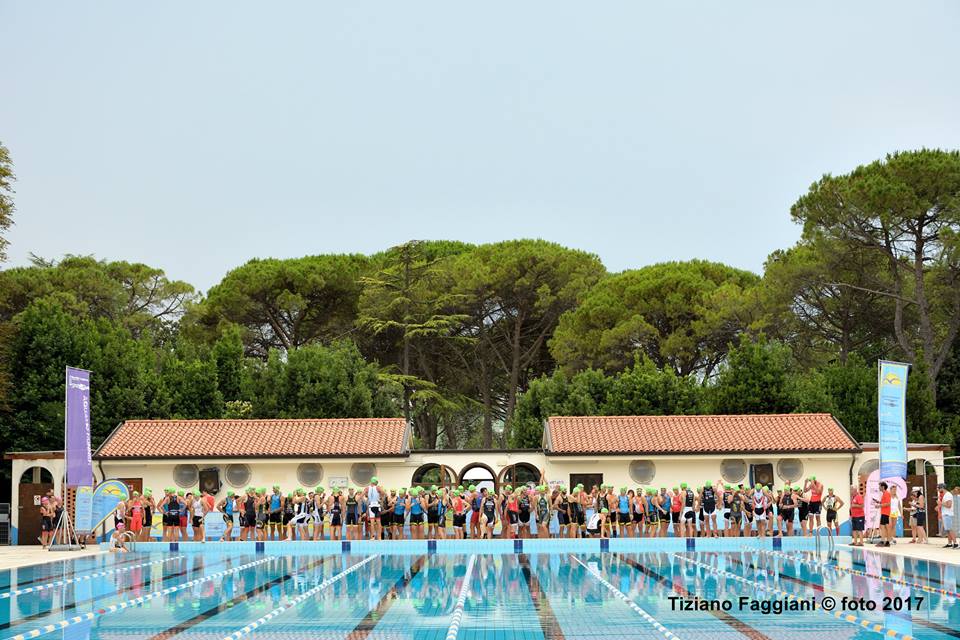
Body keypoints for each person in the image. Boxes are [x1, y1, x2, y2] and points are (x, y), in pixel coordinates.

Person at [875, 481, 892, 547]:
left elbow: (888, 503)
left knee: (883, 527)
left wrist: (879, 505)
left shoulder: (886, 493)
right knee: (885, 527)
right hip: (884, 512)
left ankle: (883, 541)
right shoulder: (884, 494)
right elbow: (884, 502)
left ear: (883, 487)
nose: (879, 487)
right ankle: (887, 541)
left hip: (885, 512)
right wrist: (879, 502)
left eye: (879, 486)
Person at [939, 484, 956, 548]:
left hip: (948, 514)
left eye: (939, 488)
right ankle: (949, 543)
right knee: (948, 530)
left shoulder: (948, 495)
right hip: (945, 514)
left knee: (950, 529)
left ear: (942, 488)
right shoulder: (945, 495)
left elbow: (949, 505)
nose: (938, 490)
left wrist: (940, 503)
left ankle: (955, 543)